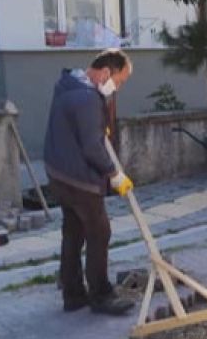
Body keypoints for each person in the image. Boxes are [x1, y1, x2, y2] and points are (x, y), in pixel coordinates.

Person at [42, 48, 136, 315]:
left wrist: (95, 125)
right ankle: (101, 295)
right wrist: (114, 175)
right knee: (99, 230)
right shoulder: (87, 99)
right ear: (106, 72)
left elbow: (80, 130)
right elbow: (93, 148)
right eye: (119, 81)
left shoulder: (69, 84)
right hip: (77, 177)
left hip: (57, 171)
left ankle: (72, 294)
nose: (117, 88)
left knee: (73, 229)